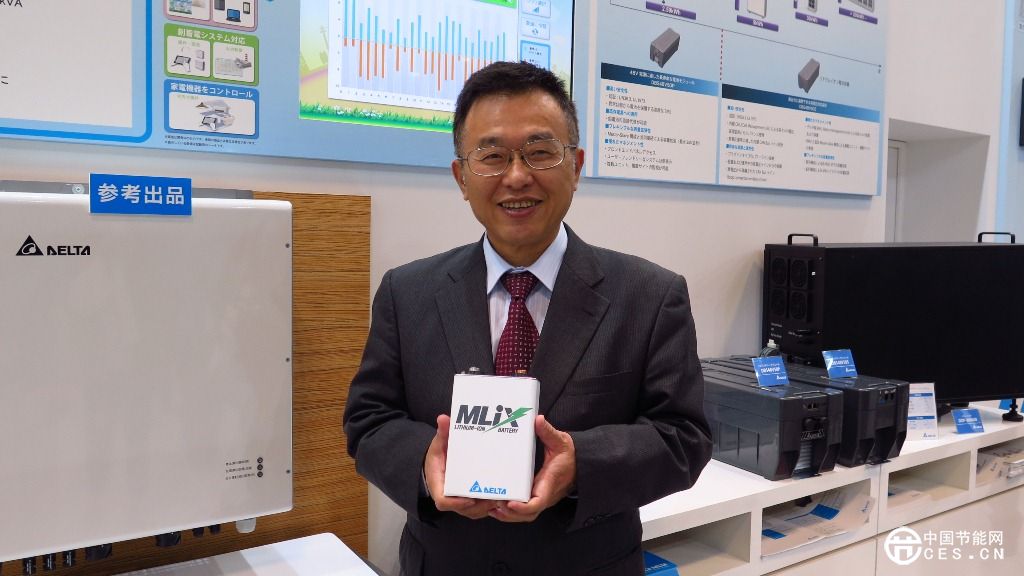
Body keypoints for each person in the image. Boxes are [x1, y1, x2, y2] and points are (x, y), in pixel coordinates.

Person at [343, 61, 712, 576]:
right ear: (462, 177)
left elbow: (684, 438)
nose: (517, 176)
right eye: (492, 156)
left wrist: (581, 463)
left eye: (540, 152)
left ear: (576, 167)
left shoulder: (650, 296)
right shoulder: (407, 293)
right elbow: (369, 421)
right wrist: (425, 462)